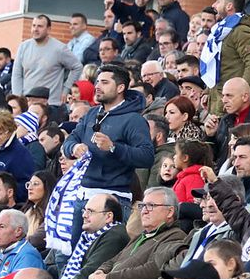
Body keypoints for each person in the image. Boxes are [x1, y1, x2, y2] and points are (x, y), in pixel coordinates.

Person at [68, 64, 154, 202]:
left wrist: (113, 147)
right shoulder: (91, 113)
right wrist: (74, 148)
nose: (97, 86)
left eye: (105, 82)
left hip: (114, 197)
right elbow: (70, 140)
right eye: (97, 82)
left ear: (120, 88)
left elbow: (147, 157)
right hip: (82, 194)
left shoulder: (134, 119)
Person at [202, 0, 250, 112]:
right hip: (220, 102)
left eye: (218, 1)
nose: (213, 5)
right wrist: (208, 91)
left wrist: (240, 95)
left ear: (229, 6)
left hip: (235, 107)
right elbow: (219, 66)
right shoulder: (221, 31)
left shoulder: (242, 31)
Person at [11, 14, 83, 99]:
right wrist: (18, 98)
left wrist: (66, 90)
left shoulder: (59, 48)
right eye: (34, 26)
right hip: (28, 103)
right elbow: (17, 75)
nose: (35, 29)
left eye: (40, 26)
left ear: (48, 29)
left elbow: (77, 67)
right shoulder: (23, 47)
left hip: (50, 104)